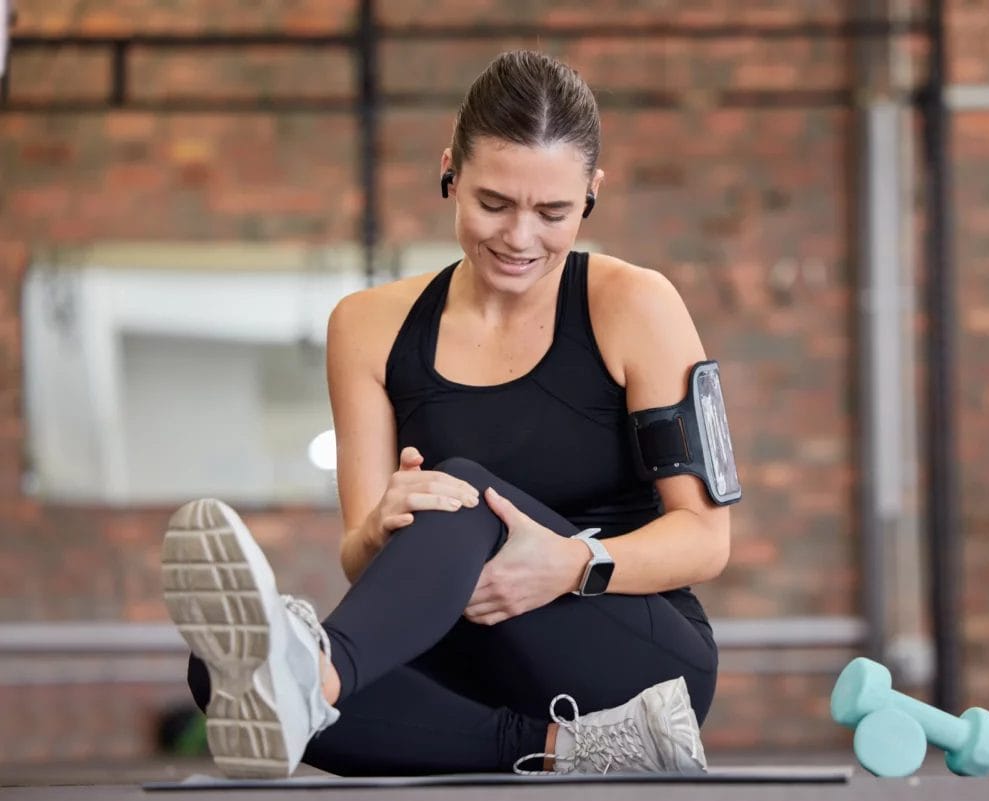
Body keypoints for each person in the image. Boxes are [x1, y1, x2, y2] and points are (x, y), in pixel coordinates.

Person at [162, 49, 737, 780]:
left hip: (634, 662)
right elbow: (360, 556)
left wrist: (570, 564)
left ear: (591, 194)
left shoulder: (636, 305)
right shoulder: (367, 327)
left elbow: (707, 540)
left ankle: (315, 678)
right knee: (221, 676)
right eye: (494, 203)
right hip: (469, 663)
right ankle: (558, 748)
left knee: (461, 487)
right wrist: (381, 523)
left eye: (553, 212)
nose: (520, 237)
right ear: (450, 173)